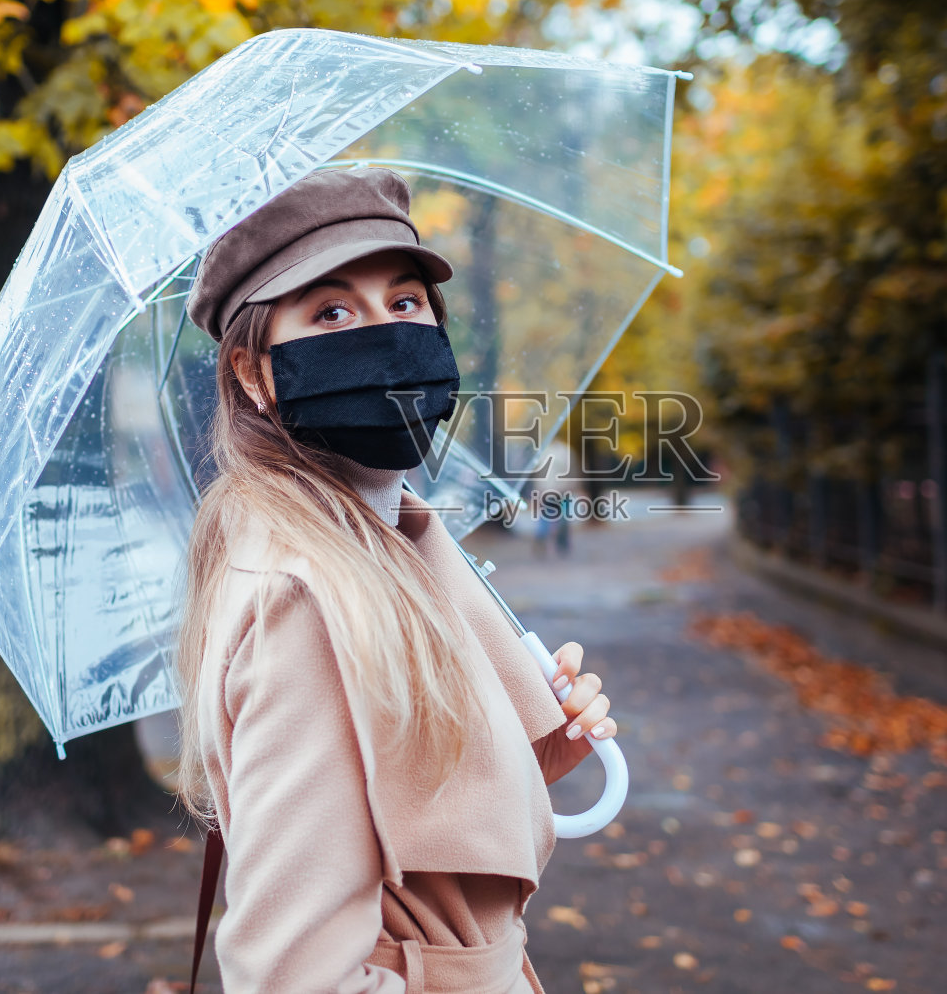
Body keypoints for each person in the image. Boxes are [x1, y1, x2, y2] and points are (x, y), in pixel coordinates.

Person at [172, 167, 617, 994]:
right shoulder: (305, 599)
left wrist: (531, 747)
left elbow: (389, 819)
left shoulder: (388, 541)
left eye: (405, 301)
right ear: (253, 373)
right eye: (332, 312)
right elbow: (293, 979)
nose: (384, 335)